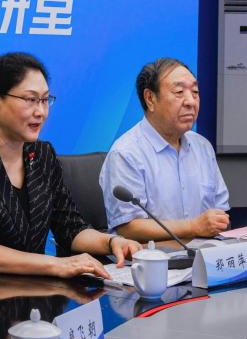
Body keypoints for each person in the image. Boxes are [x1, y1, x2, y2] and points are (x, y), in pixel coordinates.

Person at [0, 52, 140, 277]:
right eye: (30, 100)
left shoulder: (43, 155)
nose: (41, 112)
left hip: (31, 287)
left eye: (44, 100)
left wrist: (112, 242)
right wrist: (55, 264)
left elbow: (70, 228)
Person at [99, 58, 231, 242]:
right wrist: (193, 226)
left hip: (205, 254)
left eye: (195, 92)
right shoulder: (126, 153)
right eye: (179, 92)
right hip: (152, 257)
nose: (191, 101)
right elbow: (128, 228)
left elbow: (221, 211)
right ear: (150, 99)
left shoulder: (202, 147)